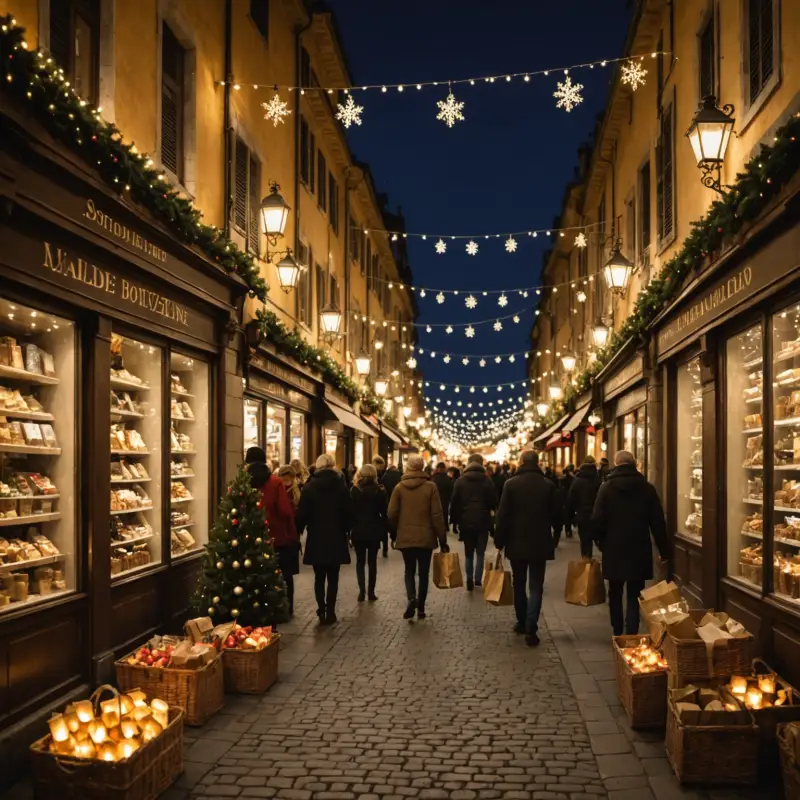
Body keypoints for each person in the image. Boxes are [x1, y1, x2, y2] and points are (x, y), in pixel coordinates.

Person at [592, 450, 671, 636]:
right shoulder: (647, 488)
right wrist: (664, 551)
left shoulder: (606, 488)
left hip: (614, 548)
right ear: (634, 464)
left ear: (616, 464)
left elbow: (596, 519)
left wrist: (601, 543)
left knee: (615, 591)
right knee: (635, 593)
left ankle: (617, 629)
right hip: (639, 548)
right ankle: (632, 632)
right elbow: (657, 522)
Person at [494, 449, 559, 647]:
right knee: (536, 585)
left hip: (516, 541)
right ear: (537, 462)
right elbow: (557, 515)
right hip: (540, 541)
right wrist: (555, 539)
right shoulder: (547, 485)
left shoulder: (511, 484)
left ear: (521, 462)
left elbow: (502, 515)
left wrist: (499, 540)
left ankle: (522, 621)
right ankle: (531, 626)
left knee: (519, 583)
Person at [388, 454, 447, 621]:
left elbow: (391, 513)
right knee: (423, 573)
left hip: (406, 536)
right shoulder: (431, 487)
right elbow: (437, 515)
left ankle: (411, 598)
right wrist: (442, 539)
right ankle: (421, 608)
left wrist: (393, 534)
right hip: (425, 537)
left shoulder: (399, 487)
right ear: (422, 467)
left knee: (409, 570)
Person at [295, 453, 353, 625]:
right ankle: (331, 611)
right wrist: (347, 530)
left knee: (319, 577)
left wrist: (299, 531)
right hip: (336, 536)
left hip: (316, 537)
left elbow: (301, 514)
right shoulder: (341, 487)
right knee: (333, 577)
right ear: (333, 466)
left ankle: (321, 609)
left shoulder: (309, 487)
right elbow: (349, 512)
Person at [245, 448, 300, 616]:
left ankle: (259, 608)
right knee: (284, 573)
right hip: (277, 537)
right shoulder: (275, 483)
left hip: (250, 538)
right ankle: (286, 607)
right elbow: (284, 510)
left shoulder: (243, 483)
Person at [450, 453, 499, 591]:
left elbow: (454, 502)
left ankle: (469, 578)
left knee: (469, 552)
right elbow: (494, 501)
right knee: (481, 552)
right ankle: (478, 579)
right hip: (483, 520)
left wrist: (454, 521)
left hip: (466, 521)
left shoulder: (461, 481)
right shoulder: (487, 480)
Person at [350, 464, 387, 602]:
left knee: (360, 562)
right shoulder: (380, 491)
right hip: (374, 529)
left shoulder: (354, 490)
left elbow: (350, 511)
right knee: (372, 562)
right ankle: (371, 592)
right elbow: (384, 511)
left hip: (358, 529)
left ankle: (361, 591)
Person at [567, 457, 601, 558]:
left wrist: (571, 518)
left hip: (583, 516)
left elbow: (571, 500)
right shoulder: (598, 481)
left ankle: (587, 562)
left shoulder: (577, 481)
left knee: (585, 543)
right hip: (597, 516)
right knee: (601, 542)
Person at [431, 462, 454, 529]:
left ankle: (437, 527)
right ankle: (445, 526)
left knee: (436, 514)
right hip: (445, 499)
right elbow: (451, 489)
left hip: (435, 499)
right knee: (445, 513)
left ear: (438, 469)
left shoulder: (434, 478)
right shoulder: (448, 478)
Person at [560, 464, 576, 539]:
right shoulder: (573, 479)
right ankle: (569, 529)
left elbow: (560, 490)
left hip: (565, 499)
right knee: (570, 514)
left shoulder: (562, 479)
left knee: (567, 515)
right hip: (571, 498)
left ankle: (568, 530)